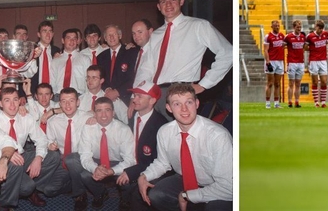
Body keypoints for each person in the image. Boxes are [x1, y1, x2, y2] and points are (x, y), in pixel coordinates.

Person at [133, 0, 232, 118]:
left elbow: (228, 53)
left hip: (181, 92)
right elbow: (146, 68)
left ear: (181, 1)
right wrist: (137, 95)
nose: (168, 5)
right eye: (163, 1)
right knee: (159, 135)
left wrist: (204, 84)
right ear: (158, 7)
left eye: (173, 0)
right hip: (154, 93)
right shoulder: (156, 34)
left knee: (183, 135)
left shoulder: (198, 26)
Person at [136, 83, 232, 210]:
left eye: (189, 102)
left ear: (197, 104)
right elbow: (163, 162)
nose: (184, 109)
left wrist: (187, 195)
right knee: (157, 194)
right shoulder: (165, 131)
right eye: (177, 104)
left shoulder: (217, 136)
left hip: (217, 185)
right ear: (169, 108)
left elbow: (229, 187)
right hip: (185, 177)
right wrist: (144, 176)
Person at [0, 86, 62, 206]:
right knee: (26, 187)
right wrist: (5, 154)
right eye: (7, 100)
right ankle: (11, 188)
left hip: (21, 156)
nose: (12, 104)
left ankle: (32, 186)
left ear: (20, 101)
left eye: (15, 99)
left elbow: (41, 139)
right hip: (2, 161)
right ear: (0, 104)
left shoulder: (25, 118)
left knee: (54, 156)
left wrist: (38, 158)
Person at [71, 97, 136, 208]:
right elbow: (85, 155)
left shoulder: (124, 130)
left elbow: (130, 160)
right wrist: (95, 168)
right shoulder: (88, 128)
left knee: (128, 177)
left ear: (113, 112)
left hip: (117, 162)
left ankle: (125, 199)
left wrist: (112, 171)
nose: (103, 115)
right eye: (99, 111)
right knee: (85, 175)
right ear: (94, 114)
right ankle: (100, 193)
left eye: (107, 110)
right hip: (96, 161)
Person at [120, 81, 167, 210]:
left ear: (152, 100)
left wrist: (131, 171)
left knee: (137, 200)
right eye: (135, 95)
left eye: (140, 96)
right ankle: (125, 199)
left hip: (149, 169)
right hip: (132, 160)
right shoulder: (133, 115)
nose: (134, 100)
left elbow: (158, 161)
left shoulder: (161, 126)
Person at [45, 87, 93, 209]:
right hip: (63, 162)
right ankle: (73, 182)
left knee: (72, 160)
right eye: (64, 101)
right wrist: (50, 145)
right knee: (48, 190)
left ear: (78, 102)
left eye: (71, 100)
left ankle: (80, 194)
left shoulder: (87, 117)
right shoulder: (53, 121)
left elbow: (105, 116)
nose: (67, 104)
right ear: (59, 103)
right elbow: (48, 141)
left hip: (82, 159)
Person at [99, 24, 139, 121]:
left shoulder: (131, 52)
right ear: (105, 38)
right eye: (109, 35)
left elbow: (134, 77)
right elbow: (100, 77)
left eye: (114, 34)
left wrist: (117, 92)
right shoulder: (100, 57)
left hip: (125, 98)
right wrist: (107, 89)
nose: (112, 37)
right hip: (107, 98)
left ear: (120, 36)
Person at [51, 28, 91, 95]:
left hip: (79, 96)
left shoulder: (85, 59)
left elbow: (89, 81)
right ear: (63, 40)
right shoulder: (55, 61)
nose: (72, 41)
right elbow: (52, 82)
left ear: (77, 41)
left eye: (74, 38)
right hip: (59, 96)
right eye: (68, 38)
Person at [28, 20, 61, 96]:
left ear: (53, 34)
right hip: (34, 93)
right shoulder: (31, 50)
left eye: (50, 31)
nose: (48, 34)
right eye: (44, 31)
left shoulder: (57, 51)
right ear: (39, 34)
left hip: (53, 93)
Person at [304, 19, 328, 108]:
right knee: (314, 82)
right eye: (319, 28)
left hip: (323, 61)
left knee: (324, 82)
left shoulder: (326, 34)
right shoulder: (310, 36)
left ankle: (323, 102)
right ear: (316, 27)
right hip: (313, 60)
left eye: (322, 28)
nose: (321, 30)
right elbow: (305, 47)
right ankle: (316, 102)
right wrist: (313, 49)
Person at [283, 19, 306, 108]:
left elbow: (304, 47)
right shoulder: (288, 37)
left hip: (300, 62)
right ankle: (289, 101)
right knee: (291, 83)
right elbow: (282, 45)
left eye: (300, 27)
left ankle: (297, 101)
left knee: (298, 83)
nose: (299, 29)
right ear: (293, 27)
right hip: (291, 62)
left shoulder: (303, 37)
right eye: (297, 27)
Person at [262, 19, 285, 109]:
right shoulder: (268, 36)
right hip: (271, 61)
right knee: (270, 83)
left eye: (278, 25)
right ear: (272, 26)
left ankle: (276, 103)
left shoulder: (282, 36)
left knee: (277, 83)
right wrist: (268, 62)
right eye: (275, 25)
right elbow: (265, 50)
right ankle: (267, 103)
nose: (277, 26)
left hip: (280, 61)